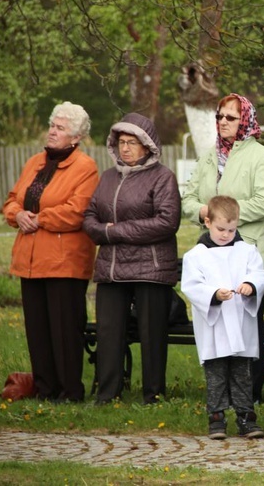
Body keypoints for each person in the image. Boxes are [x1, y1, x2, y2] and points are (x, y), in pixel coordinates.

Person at [182, 93, 264, 402]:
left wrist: (226, 217)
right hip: (211, 258)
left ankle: (249, 398)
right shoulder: (209, 156)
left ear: (246, 122)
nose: (222, 122)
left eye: (230, 117)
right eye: (219, 116)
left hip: (246, 256)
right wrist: (205, 214)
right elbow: (188, 199)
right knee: (216, 326)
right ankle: (218, 397)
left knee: (247, 327)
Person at [2, 101, 99, 402]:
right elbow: (11, 200)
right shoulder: (34, 162)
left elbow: (76, 212)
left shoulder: (86, 168)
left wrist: (38, 219)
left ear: (76, 137)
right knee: (38, 331)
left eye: (59, 128)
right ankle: (45, 390)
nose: (52, 132)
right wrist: (17, 214)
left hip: (64, 263)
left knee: (64, 331)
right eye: (51, 125)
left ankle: (70, 392)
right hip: (29, 260)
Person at [83, 113, 181, 405]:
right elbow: (89, 218)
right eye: (121, 142)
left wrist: (114, 231)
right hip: (111, 269)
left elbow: (166, 222)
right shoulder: (108, 177)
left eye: (132, 143)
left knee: (152, 335)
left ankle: (153, 395)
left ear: (147, 146)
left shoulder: (163, 177)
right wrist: (103, 231)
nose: (125, 148)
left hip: (150, 269)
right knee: (109, 332)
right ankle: (108, 393)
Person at [181, 195, 264, 439]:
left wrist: (251, 285)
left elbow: (260, 274)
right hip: (215, 325)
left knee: (242, 373)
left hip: (240, 323)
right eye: (221, 229)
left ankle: (246, 418)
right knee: (216, 374)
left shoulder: (247, 251)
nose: (226, 234)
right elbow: (191, 285)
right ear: (207, 222)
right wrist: (213, 294)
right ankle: (216, 419)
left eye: (231, 229)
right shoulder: (196, 255)